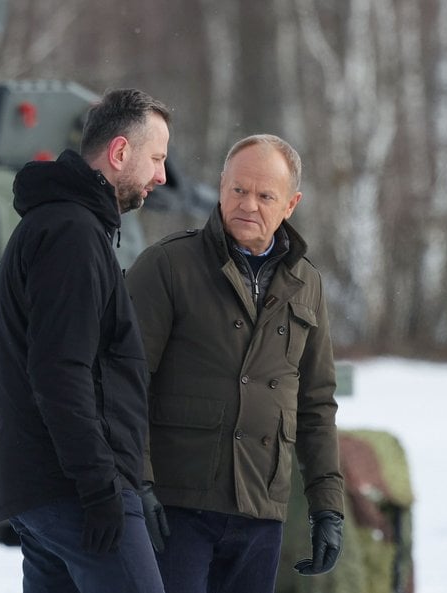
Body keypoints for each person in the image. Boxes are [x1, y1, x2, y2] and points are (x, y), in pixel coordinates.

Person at [125, 134, 345, 593]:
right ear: (222, 186)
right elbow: (126, 385)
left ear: (291, 204)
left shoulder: (308, 286)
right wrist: (137, 486)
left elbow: (316, 405)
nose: (248, 204)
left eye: (265, 195)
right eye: (238, 190)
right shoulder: (167, 266)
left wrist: (328, 506)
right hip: (175, 509)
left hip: (260, 513)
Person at [0, 88, 170, 593]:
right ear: (119, 153)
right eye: (155, 158)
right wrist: (100, 488)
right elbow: (60, 372)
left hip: (49, 488)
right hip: (76, 490)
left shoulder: (62, 225)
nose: (161, 175)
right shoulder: (71, 234)